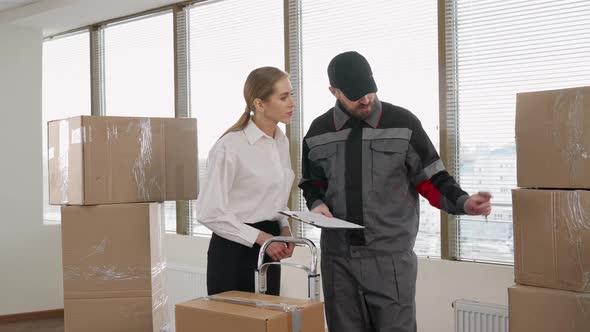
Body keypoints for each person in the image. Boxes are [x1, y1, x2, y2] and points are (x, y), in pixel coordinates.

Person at [299, 51, 492, 332]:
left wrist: (463, 203)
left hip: (389, 260)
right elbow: (312, 183)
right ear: (334, 92)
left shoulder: (403, 123)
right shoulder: (318, 131)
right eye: (355, 95)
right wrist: (316, 203)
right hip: (338, 260)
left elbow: (431, 179)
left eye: (369, 90)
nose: (365, 99)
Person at [196, 66, 297, 296]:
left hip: (270, 245)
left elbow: (273, 198)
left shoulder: (281, 142)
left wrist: (284, 227)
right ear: (259, 104)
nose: (292, 102)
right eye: (283, 97)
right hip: (234, 250)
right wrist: (262, 238)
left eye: (292, 94)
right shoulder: (229, 147)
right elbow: (209, 212)